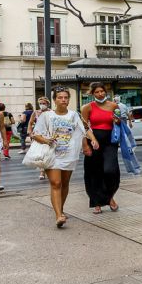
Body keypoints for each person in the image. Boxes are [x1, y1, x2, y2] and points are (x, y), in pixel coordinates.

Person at [31, 86, 89, 228]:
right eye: (60, 97)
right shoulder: (46, 116)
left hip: (69, 154)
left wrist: (88, 143)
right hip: (52, 154)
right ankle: (58, 215)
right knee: (56, 183)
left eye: (66, 97)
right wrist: (46, 140)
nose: (63, 100)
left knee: (65, 183)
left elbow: (84, 130)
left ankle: (60, 209)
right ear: (54, 100)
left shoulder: (74, 115)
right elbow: (35, 134)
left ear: (69, 99)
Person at [80, 81, 121, 214]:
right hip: (94, 141)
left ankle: (109, 197)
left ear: (106, 92)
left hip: (110, 141)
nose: (100, 94)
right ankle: (96, 202)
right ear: (92, 94)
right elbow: (84, 127)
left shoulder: (114, 106)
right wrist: (89, 141)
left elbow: (120, 123)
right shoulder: (87, 107)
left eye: (102, 91)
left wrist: (118, 120)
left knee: (111, 171)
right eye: (96, 92)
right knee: (94, 173)